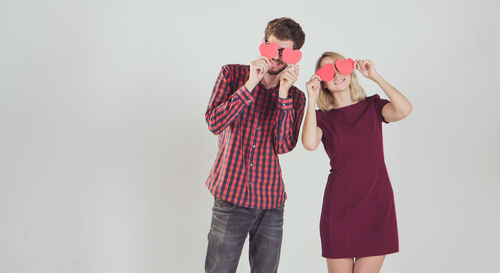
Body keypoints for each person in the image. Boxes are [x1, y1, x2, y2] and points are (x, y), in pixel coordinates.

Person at [204, 17, 306, 273]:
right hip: (230, 197)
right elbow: (215, 123)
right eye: (272, 47)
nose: (277, 56)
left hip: (271, 203)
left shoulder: (295, 96)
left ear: (294, 56)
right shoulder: (232, 74)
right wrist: (250, 83)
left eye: (285, 52)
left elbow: (283, 145)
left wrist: (283, 94)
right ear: (263, 44)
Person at [302, 51, 412, 273]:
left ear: (350, 70)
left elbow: (404, 109)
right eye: (328, 72)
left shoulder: (373, 106)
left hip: (376, 205)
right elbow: (310, 143)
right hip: (339, 208)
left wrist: (376, 77)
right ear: (323, 82)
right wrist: (311, 100)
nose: (336, 75)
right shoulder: (323, 118)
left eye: (339, 67)